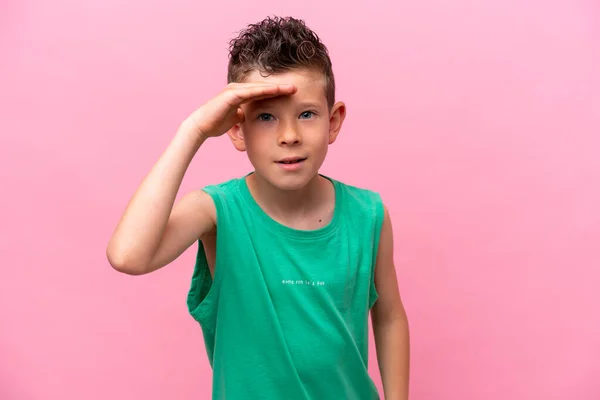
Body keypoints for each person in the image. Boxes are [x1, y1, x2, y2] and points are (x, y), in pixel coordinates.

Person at [106, 15, 410, 400]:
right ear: (236, 128)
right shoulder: (217, 212)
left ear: (333, 121)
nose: (289, 136)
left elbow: (389, 316)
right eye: (266, 117)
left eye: (306, 114)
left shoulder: (369, 214)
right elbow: (128, 255)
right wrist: (194, 129)